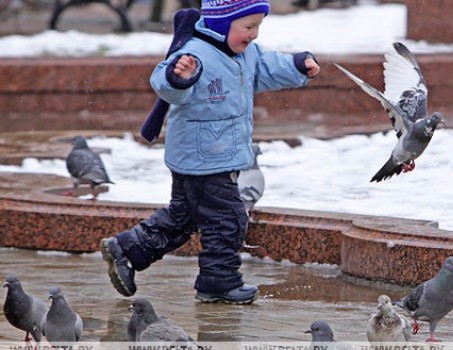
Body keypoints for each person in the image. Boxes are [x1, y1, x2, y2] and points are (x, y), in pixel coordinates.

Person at [100, 0, 320, 305]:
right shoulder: (195, 54)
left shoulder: (245, 53)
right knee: (227, 220)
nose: (254, 34)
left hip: (209, 156)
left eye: (258, 26)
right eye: (248, 27)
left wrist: (297, 66)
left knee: (184, 217)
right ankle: (219, 282)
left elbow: (268, 67)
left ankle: (128, 249)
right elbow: (164, 82)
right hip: (205, 157)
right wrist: (181, 78)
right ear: (222, 23)